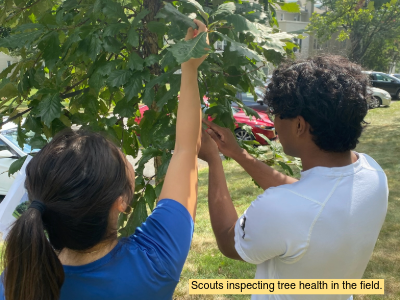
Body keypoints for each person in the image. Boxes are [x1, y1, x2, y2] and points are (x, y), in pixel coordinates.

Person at [0, 20, 208, 300]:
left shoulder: (14, 283)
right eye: (122, 160)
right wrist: (189, 66)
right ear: (121, 201)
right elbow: (185, 150)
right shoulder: (154, 263)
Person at [199, 55, 388, 300]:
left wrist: (214, 160)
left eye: (276, 114)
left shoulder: (281, 208)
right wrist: (237, 153)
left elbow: (228, 240)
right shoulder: (373, 173)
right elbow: (306, 195)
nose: (273, 122)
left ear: (299, 125)